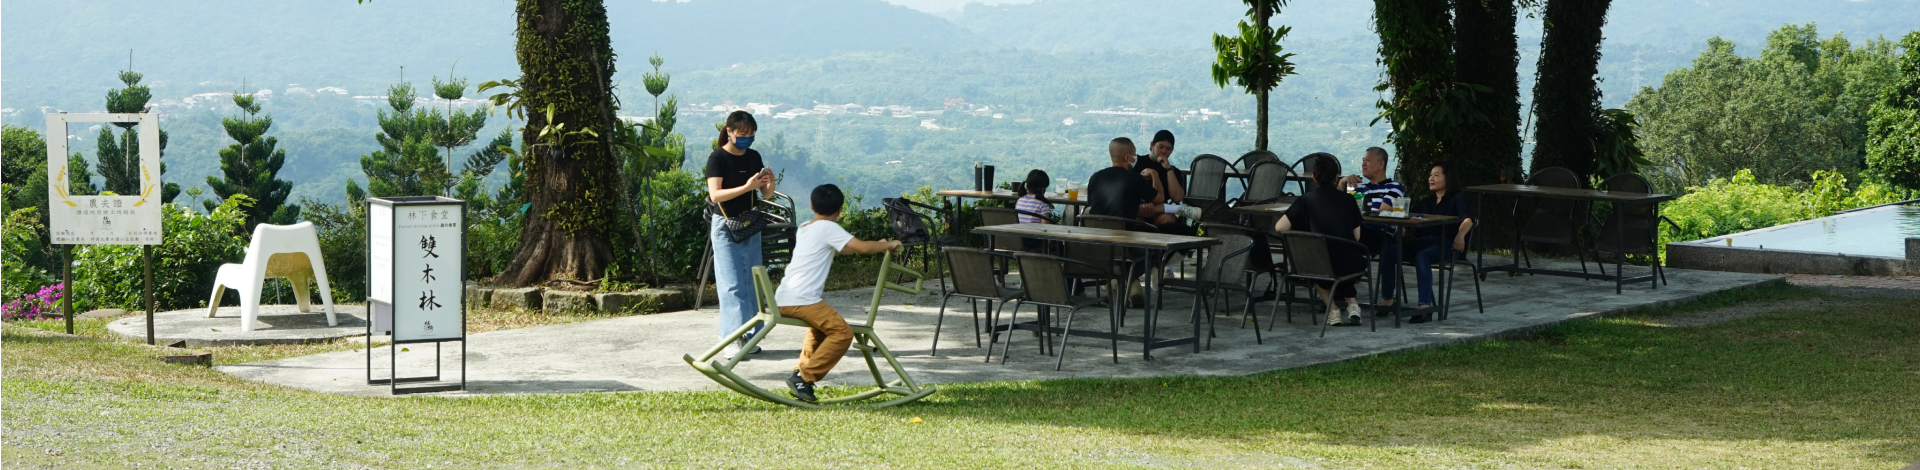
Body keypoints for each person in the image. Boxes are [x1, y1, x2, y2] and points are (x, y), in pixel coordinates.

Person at [775, 184, 903, 403]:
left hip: (785, 297)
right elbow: (862, 247)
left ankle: (801, 374)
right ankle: (804, 378)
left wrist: (880, 246)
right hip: (802, 300)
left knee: (819, 330)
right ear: (839, 211)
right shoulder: (829, 228)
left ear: (812, 205)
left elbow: (844, 247)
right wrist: (891, 243)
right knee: (842, 334)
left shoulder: (806, 227)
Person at [706, 110, 775, 360]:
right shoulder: (718, 158)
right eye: (743, 133)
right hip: (725, 225)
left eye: (751, 134)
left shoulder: (753, 156)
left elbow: (766, 194)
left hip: (749, 223)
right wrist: (747, 187)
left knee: (752, 281)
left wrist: (769, 182)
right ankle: (731, 338)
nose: (747, 138)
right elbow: (715, 195)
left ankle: (750, 335)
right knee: (731, 283)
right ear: (730, 132)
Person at [1273, 153, 1366, 326]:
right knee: (1338, 260)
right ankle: (1353, 305)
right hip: (1350, 263)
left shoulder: (1306, 200)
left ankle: (1333, 311)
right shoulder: (1349, 200)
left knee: (1316, 263)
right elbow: (1357, 237)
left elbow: (1279, 227)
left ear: (1314, 177)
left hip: (1318, 264)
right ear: (1336, 177)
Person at [1389, 161, 1476, 323]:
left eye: (1436, 175)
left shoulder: (1458, 198)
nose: (1431, 178)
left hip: (1447, 245)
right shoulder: (1426, 202)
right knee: (1389, 251)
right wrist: (1402, 226)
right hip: (1422, 243)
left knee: (1423, 256)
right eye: (1430, 175)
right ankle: (1387, 301)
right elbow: (1407, 216)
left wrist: (1460, 235)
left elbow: (1468, 220)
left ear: (1448, 178)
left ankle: (1425, 308)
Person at [1338, 147, 1407, 307]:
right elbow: (1338, 206)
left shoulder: (1394, 187)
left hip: (1381, 234)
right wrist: (1342, 183)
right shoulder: (1360, 188)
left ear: (1381, 164)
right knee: (1334, 239)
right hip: (1358, 231)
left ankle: (1343, 289)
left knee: (1340, 236)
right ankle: (1339, 290)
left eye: (1368, 160)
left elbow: (1382, 211)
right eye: (1363, 160)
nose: (1363, 163)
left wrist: (1354, 213)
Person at [1089, 137, 1200, 228]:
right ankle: (1177, 210)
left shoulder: (1095, 177)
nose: (1135, 156)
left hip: (1095, 236)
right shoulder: (1134, 178)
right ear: (1127, 157)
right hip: (1123, 237)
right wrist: (1154, 174)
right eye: (1134, 153)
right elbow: (1160, 199)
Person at [1133, 130, 1186, 205]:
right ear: (1152, 145)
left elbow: (1177, 198)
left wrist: (1168, 169)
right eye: (1160, 147)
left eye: (1168, 149)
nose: (1164, 151)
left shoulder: (1174, 172)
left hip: (1161, 209)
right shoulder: (1137, 162)